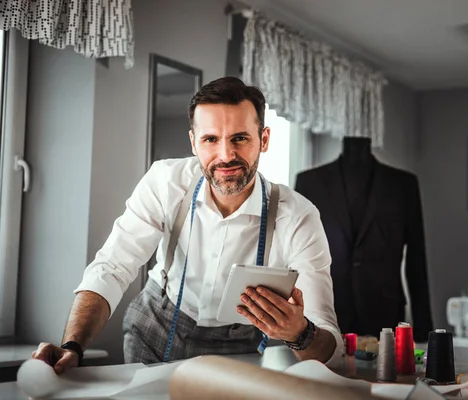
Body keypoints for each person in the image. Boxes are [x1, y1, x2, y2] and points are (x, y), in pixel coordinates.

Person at [32, 77, 344, 374]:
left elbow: (330, 345)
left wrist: (299, 333)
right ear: (194, 142)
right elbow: (113, 266)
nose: (226, 155)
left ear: (263, 140)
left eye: (240, 138)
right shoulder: (164, 182)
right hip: (153, 331)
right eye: (211, 139)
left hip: (238, 352)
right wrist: (72, 345)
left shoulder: (299, 217)